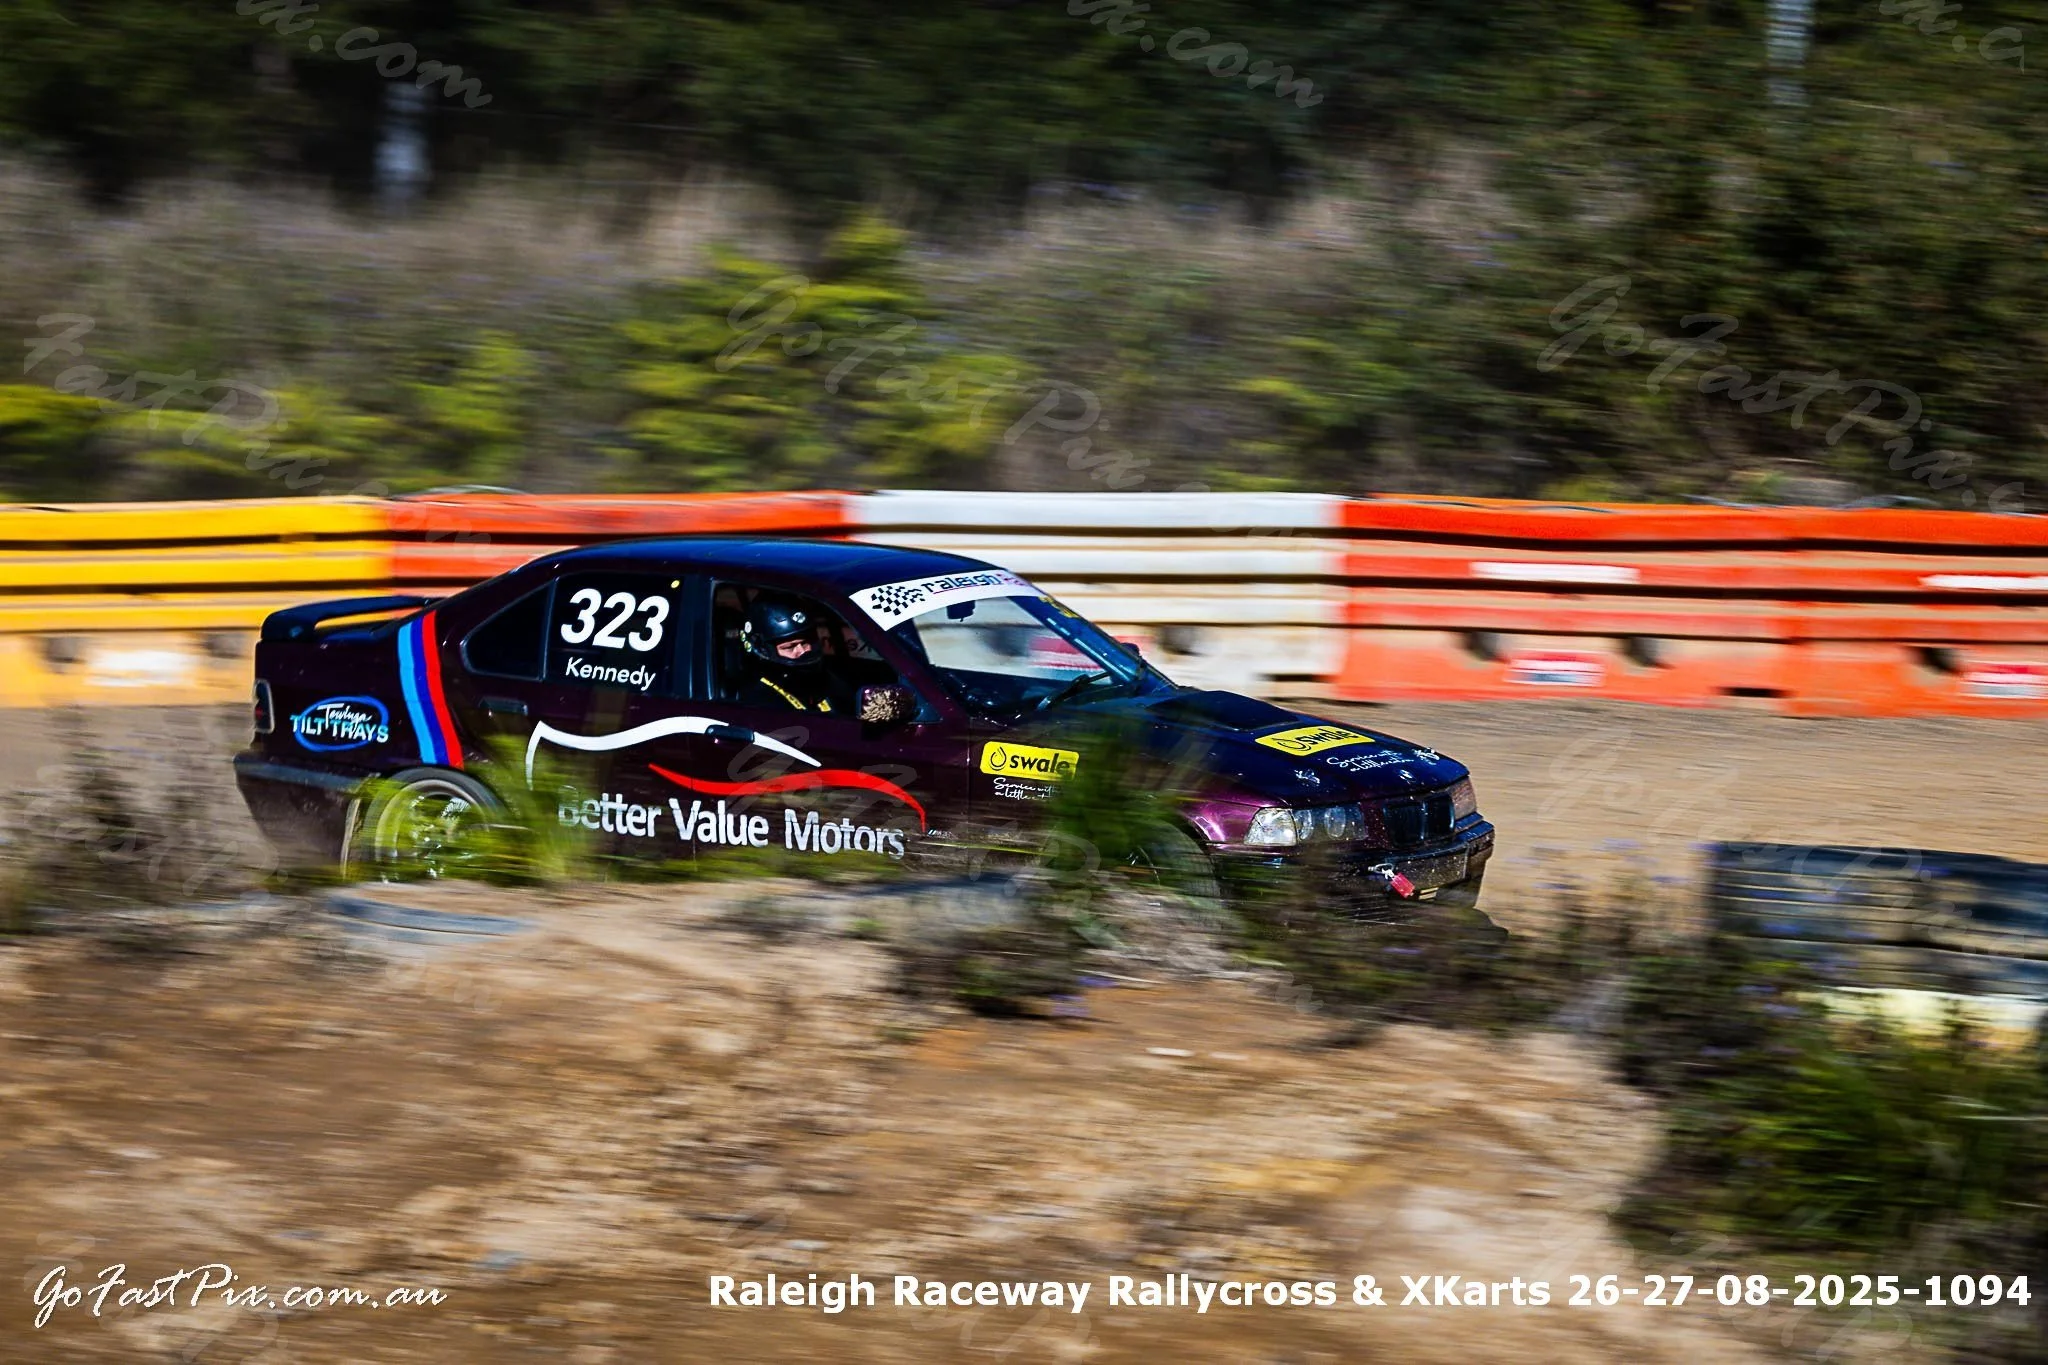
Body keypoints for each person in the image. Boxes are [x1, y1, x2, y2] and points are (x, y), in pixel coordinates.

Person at [736, 595, 854, 714]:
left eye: (806, 642)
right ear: (764, 651)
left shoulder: (826, 680)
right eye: (789, 647)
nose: (802, 650)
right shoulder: (759, 701)